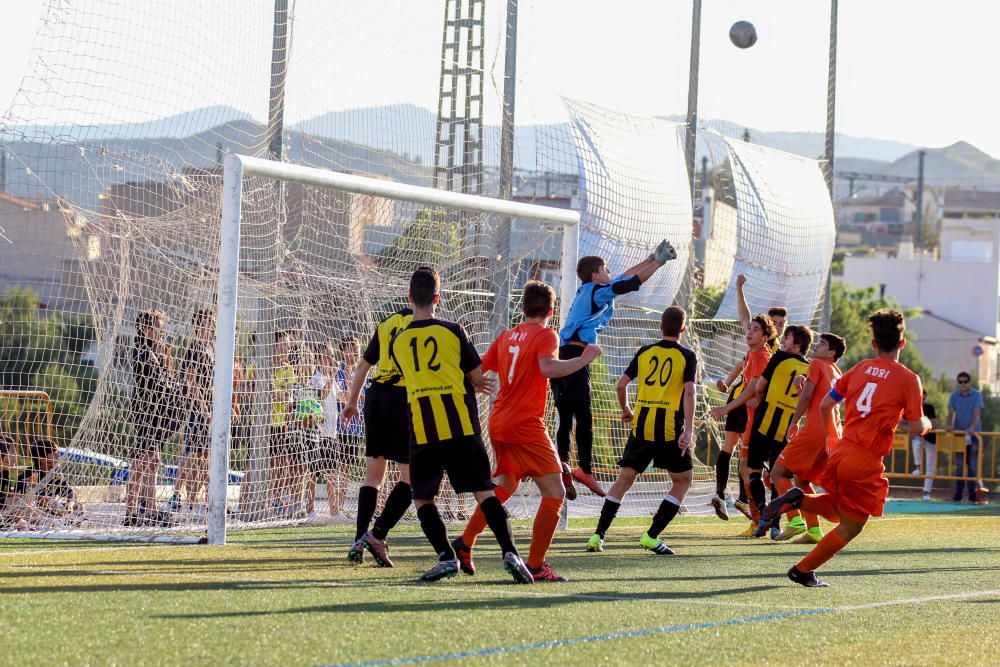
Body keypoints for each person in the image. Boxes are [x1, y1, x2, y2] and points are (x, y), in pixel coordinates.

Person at [762, 309, 929, 587]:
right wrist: (925, 424)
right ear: (902, 343)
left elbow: (827, 404)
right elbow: (915, 427)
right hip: (864, 458)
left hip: (841, 449)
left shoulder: (860, 368)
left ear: (873, 343)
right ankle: (802, 569)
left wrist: (831, 438)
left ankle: (798, 500)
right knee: (852, 525)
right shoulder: (908, 379)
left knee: (842, 510)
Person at [451, 281, 602, 582]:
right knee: (556, 492)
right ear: (551, 310)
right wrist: (585, 358)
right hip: (525, 424)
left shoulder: (507, 335)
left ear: (522, 308)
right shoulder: (547, 334)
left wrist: (476, 385)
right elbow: (548, 368)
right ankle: (535, 564)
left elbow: (478, 372)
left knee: (504, 486)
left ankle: (464, 543)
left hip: (499, 421)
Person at [389, 267, 532, 583]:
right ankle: (510, 552)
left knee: (423, 498)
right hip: (462, 428)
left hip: (424, 431)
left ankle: (445, 556)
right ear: (438, 298)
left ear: (410, 298)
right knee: (484, 491)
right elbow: (477, 374)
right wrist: (476, 382)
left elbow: (412, 375)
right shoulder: (454, 330)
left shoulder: (398, 342)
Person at [553, 241, 676, 498]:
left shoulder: (588, 289)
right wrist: (658, 264)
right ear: (596, 274)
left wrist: (650, 257)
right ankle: (584, 469)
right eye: (605, 269)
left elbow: (625, 276)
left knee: (566, 416)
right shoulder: (599, 291)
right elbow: (632, 282)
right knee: (584, 416)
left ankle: (563, 463)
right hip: (577, 354)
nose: (610, 272)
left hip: (564, 353)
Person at [586, 305, 697, 555]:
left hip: (641, 426)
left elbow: (620, 385)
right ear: (683, 329)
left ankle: (597, 535)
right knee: (682, 481)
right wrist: (688, 430)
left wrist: (626, 409)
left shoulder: (645, 352)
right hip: (669, 430)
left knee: (624, 479)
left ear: (661, 326)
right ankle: (651, 536)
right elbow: (689, 391)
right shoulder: (687, 356)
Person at [709, 274, 785, 521]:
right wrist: (739, 288)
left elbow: (755, 388)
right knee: (737, 456)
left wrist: (749, 400)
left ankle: (763, 513)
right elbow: (745, 319)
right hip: (742, 402)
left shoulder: (770, 353)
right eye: (774, 321)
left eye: (779, 323)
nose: (750, 330)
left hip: (756, 410)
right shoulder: (755, 350)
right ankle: (727, 497)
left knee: (752, 466)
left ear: (769, 333)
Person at [342, 313, 414, 566]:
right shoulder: (423, 324)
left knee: (373, 477)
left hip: (376, 398)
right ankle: (376, 535)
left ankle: (358, 541)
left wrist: (352, 403)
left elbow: (363, 365)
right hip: (404, 398)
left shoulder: (387, 323)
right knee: (411, 479)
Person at [770, 332, 846, 543]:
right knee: (802, 480)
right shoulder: (836, 371)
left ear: (831, 352)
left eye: (822, 344)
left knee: (777, 473)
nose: (817, 346)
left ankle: (794, 520)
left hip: (814, 431)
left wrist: (794, 422)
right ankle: (813, 531)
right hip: (832, 433)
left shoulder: (817, 363)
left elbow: (807, 395)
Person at [128, 309, 176, 527]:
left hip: (155, 412)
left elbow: (166, 380)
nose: (162, 330)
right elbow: (152, 383)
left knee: (153, 460)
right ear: (147, 329)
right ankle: (131, 511)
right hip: (144, 412)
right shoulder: (142, 351)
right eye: (158, 326)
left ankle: (151, 507)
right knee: (141, 461)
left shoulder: (156, 351)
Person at [170, 308, 216, 513]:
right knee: (194, 457)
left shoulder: (211, 348)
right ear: (198, 327)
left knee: (206, 457)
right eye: (208, 323)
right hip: (196, 411)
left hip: (210, 409)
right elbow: (191, 380)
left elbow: (212, 383)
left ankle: (200, 502)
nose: (212, 326)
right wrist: (204, 409)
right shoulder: (195, 348)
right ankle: (188, 501)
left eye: (213, 322)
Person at [306, 343, 343, 518]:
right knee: (313, 472)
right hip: (317, 433)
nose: (331, 359)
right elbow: (320, 396)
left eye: (332, 355)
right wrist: (331, 376)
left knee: (333, 473)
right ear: (320, 359)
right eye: (327, 355)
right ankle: (310, 509)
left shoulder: (332, 379)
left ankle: (334, 510)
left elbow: (342, 397)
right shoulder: (316, 378)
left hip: (331, 432)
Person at [269, 330, 297, 514]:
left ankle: (276, 499)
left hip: (280, 423)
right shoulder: (262, 365)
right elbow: (250, 388)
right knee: (262, 465)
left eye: (288, 345)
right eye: (283, 344)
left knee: (281, 465)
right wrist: (277, 394)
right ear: (275, 345)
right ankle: (249, 502)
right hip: (262, 424)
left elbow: (288, 398)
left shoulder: (289, 370)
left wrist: (277, 393)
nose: (286, 348)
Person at [946, 371, 984, 502]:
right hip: (959, 435)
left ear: (969, 383)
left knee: (972, 466)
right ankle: (958, 494)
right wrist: (948, 425)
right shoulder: (954, 395)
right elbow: (951, 412)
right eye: (960, 382)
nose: (962, 384)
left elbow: (976, 412)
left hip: (973, 435)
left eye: (965, 382)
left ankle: (973, 495)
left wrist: (972, 428)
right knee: (959, 465)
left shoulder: (977, 395)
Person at [913, 390, 938, 500]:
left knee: (930, 466)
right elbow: (901, 423)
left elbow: (934, 424)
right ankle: (917, 466)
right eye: (919, 398)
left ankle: (926, 492)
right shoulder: (911, 407)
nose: (921, 401)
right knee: (916, 443)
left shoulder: (929, 408)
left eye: (923, 398)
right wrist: (910, 429)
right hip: (919, 437)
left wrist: (923, 431)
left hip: (930, 439)